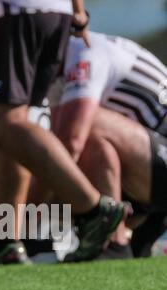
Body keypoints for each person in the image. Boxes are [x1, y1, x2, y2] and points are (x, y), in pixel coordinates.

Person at [0, 1, 124, 265]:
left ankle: (93, 208)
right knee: (10, 127)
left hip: (11, 12)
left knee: (0, 120)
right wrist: (78, 10)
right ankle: (4, 240)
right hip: (55, 15)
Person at [47, 31, 167, 260]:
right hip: (149, 166)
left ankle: (113, 240)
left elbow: (70, 144)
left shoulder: (85, 53)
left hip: (157, 162)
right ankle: (124, 233)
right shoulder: (58, 67)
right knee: (71, 142)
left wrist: (19, 219)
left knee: (83, 126)